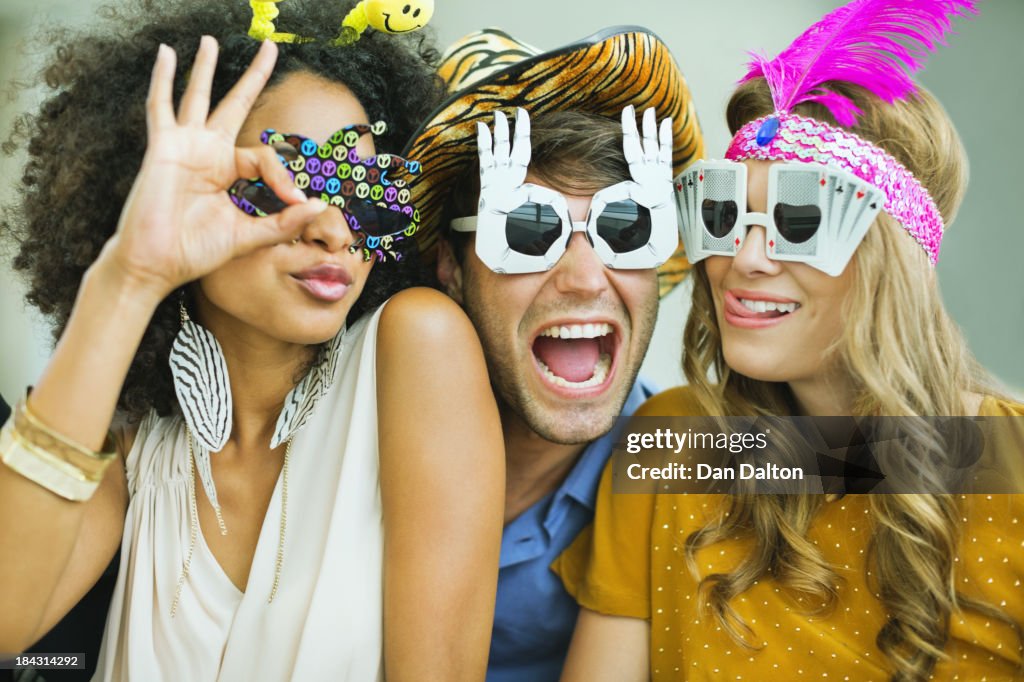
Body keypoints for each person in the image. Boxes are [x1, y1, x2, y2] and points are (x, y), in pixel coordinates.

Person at [0, 1, 503, 680]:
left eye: (364, 190)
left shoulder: (416, 347)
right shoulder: (133, 436)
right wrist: (130, 276)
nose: (333, 230)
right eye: (285, 181)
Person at [554, 1, 1024, 680]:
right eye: (723, 215)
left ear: (895, 259)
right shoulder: (672, 445)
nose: (744, 260)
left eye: (798, 220)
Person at [402, 27, 704, 681]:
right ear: (449, 265)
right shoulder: (347, 433)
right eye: (528, 229)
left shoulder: (678, 451)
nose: (586, 278)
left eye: (626, 228)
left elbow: (934, 459)